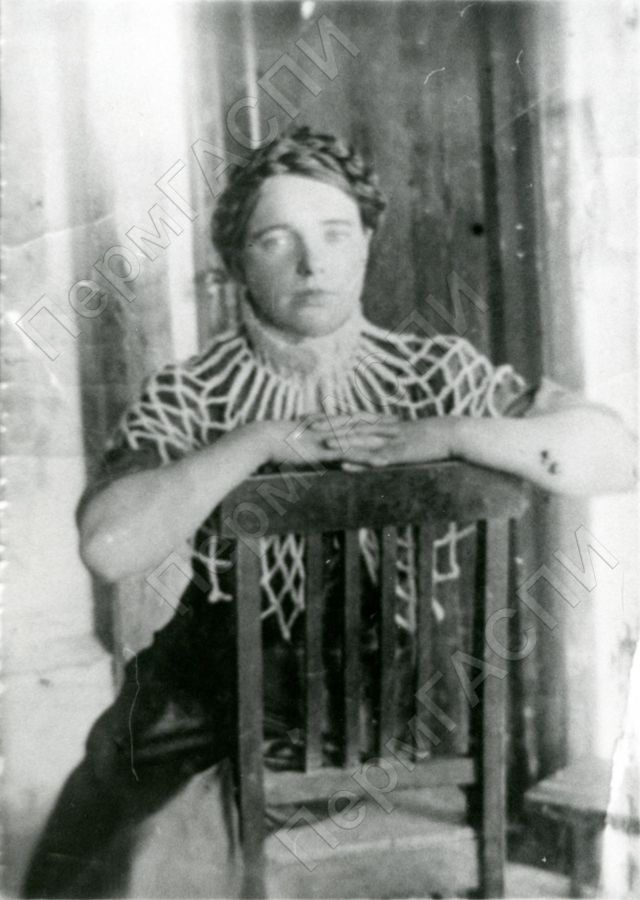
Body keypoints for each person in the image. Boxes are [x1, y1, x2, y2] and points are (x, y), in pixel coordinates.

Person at [23, 127, 637, 898]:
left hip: (393, 710)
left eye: (336, 234)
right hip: (215, 702)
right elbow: (110, 546)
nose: (312, 265)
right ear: (235, 260)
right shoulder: (193, 394)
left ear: (369, 243)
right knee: (106, 856)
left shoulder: (436, 376)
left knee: (151, 853)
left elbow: (620, 458)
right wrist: (258, 440)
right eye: (276, 240)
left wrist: (448, 433)